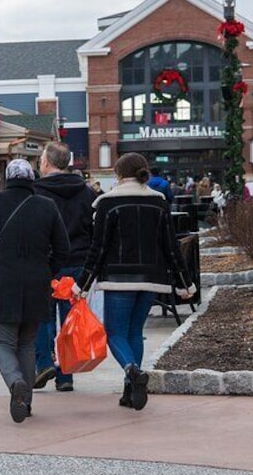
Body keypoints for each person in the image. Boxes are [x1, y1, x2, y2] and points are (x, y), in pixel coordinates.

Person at [73, 153, 196, 411]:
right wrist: (186, 283)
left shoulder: (107, 203)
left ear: (118, 174)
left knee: (115, 333)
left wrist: (82, 285)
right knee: (134, 333)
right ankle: (131, 391)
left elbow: (98, 248)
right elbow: (170, 246)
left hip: (118, 279)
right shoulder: (159, 201)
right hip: (152, 279)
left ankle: (132, 371)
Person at [0, 159, 69, 423]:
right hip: (37, 282)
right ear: (32, 178)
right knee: (27, 343)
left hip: (3, 282)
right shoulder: (47, 205)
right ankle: (25, 400)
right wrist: (47, 270)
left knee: (3, 342)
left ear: (7, 178)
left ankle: (15, 382)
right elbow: (63, 248)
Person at [33, 142, 97, 393]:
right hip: (78, 263)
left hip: (46, 264)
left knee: (43, 316)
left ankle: (44, 362)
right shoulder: (86, 191)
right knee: (70, 319)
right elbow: (94, 229)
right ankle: (66, 374)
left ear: (47, 162)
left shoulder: (36, 192)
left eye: (40, 159)